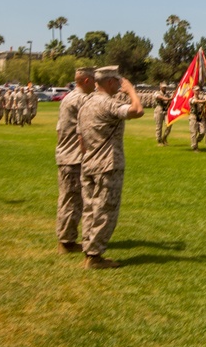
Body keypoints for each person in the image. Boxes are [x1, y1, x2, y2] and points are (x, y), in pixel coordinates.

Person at [77, 66, 144, 269]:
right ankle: (95, 256)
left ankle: (88, 247)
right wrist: (132, 91)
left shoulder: (86, 103)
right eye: (117, 81)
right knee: (106, 209)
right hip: (107, 164)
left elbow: (81, 139)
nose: (119, 84)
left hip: (88, 162)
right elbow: (137, 111)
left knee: (89, 208)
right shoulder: (107, 103)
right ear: (109, 82)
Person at [54, 67, 96, 254]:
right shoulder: (81, 99)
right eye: (95, 80)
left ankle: (67, 238)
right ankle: (66, 242)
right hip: (74, 157)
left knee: (69, 198)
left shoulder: (68, 98)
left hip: (66, 154)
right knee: (72, 200)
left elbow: (58, 130)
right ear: (87, 80)